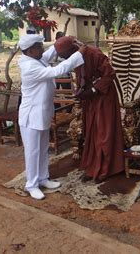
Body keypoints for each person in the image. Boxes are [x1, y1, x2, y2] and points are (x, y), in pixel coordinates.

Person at [18, 34, 86, 200]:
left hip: (41, 114)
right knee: (33, 152)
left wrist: (65, 42)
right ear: (31, 50)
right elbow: (57, 70)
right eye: (39, 46)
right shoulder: (30, 67)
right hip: (31, 117)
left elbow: (49, 54)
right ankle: (31, 185)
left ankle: (42, 178)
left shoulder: (35, 59)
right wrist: (79, 54)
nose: (43, 49)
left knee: (42, 149)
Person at [54, 36, 125, 183]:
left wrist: (93, 90)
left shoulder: (93, 53)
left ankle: (105, 169)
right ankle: (92, 167)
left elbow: (110, 74)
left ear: (72, 50)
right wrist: (81, 91)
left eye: (65, 56)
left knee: (103, 133)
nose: (66, 60)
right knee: (91, 131)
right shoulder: (77, 55)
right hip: (90, 100)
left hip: (104, 97)